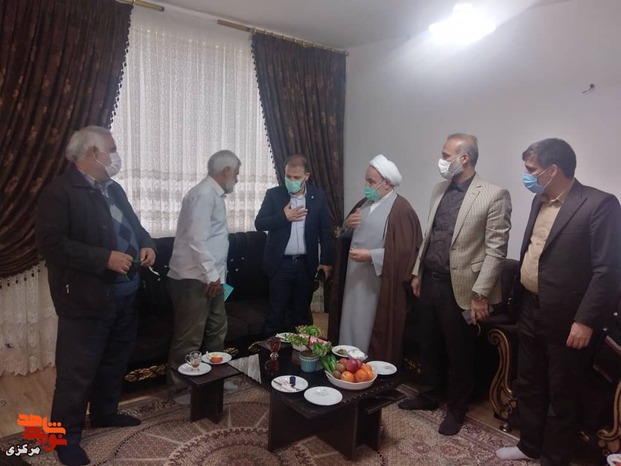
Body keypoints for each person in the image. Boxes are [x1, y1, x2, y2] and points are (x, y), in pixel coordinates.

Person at [36, 126, 156, 466]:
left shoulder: (114, 189)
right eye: (112, 149)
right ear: (92, 153)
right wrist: (104, 258)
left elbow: (134, 226)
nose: (116, 156)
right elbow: (51, 245)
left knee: (114, 362)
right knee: (76, 373)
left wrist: (147, 244)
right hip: (85, 299)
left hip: (126, 293)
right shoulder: (59, 192)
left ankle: (105, 413)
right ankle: (64, 438)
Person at [496, 139, 621, 465]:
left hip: (569, 318)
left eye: (531, 169)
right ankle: (529, 446)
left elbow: (607, 270)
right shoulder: (539, 200)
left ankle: (554, 458)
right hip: (529, 307)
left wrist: (585, 320)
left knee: (562, 392)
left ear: (552, 170)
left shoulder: (599, 204)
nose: (527, 174)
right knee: (529, 382)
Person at [398, 133, 512, 436]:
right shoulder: (440, 189)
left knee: (459, 351)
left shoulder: (494, 194)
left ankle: (457, 409)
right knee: (428, 342)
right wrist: (417, 272)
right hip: (430, 280)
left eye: (446, 155)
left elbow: (496, 250)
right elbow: (431, 234)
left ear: (464, 158)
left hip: (461, 288)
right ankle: (428, 395)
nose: (441, 160)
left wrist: (480, 295)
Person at [327, 154, 422, 364]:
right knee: (349, 320)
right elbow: (344, 236)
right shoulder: (364, 203)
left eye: (371, 181)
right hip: (353, 278)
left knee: (369, 325)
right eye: (366, 180)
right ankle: (345, 362)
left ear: (386, 183)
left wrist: (371, 255)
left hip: (377, 283)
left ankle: (366, 367)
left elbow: (406, 253)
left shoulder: (401, 210)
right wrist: (346, 226)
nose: (366, 185)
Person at [166, 150, 241, 392]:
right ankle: (180, 388)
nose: (237, 178)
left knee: (217, 330)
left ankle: (214, 380)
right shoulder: (203, 194)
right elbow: (196, 240)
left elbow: (214, 241)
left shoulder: (215, 195)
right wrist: (212, 276)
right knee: (189, 338)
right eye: (236, 173)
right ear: (226, 171)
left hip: (213, 278)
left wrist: (218, 277)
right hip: (193, 279)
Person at [255, 154, 333, 335]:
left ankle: (297, 352)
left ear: (306, 176)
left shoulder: (318, 197)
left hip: (305, 265)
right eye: (288, 176)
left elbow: (325, 231)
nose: (291, 181)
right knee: (276, 315)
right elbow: (259, 223)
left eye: (296, 177)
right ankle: (271, 351)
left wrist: (326, 260)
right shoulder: (274, 195)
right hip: (280, 264)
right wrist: (283, 217)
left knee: (301, 316)